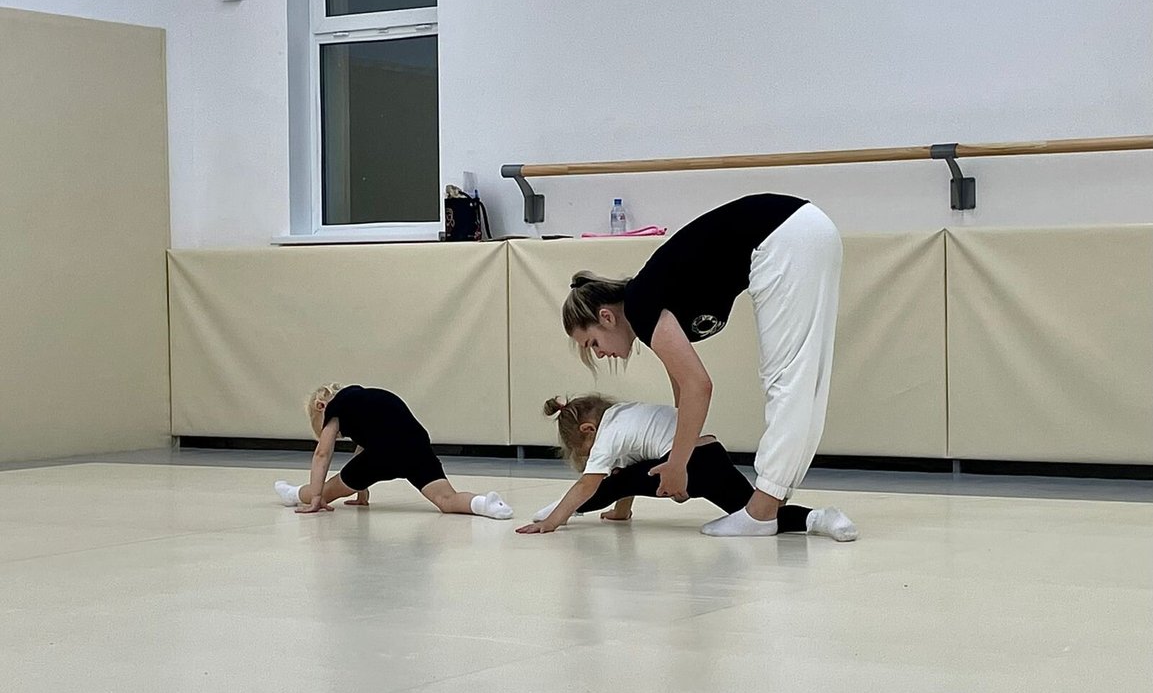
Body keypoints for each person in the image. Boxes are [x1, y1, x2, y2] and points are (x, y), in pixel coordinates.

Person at [561, 193, 842, 536]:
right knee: (805, 381)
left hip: (784, 236)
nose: (599, 354)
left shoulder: (640, 305)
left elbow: (699, 386)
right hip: (811, 228)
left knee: (787, 381)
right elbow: (683, 393)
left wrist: (678, 465)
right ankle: (773, 501)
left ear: (606, 317)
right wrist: (680, 455)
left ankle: (762, 511)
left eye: (592, 343)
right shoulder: (652, 300)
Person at [516, 394, 857, 541]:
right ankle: (819, 518)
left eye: (585, 451)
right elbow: (631, 472)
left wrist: (552, 522)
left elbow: (590, 484)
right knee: (755, 513)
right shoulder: (625, 414)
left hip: (689, 464)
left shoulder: (608, 434)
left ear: (588, 430)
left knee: (609, 482)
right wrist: (621, 512)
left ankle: (560, 510)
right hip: (712, 454)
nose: (591, 456)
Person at [274, 383, 513, 520]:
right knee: (446, 499)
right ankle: (485, 504)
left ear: (321, 406)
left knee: (327, 490)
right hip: (416, 445)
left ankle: (293, 494)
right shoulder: (367, 400)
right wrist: (360, 489)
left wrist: (318, 497)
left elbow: (322, 454)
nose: (333, 433)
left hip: (384, 452)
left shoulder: (336, 408)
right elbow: (365, 447)